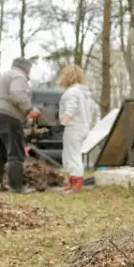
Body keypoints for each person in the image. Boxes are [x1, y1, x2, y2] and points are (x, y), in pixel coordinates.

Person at [0, 57, 41, 194]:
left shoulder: (3, 77)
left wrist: (25, 119)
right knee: (15, 152)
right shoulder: (19, 76)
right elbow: (17, 94)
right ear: (27, 68)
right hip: (7, 116)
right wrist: (30, 110)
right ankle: (16, 187)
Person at [57, 65, 96, 193]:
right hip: (83, 126)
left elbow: (70, 110)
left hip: (73, 127)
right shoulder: (84, 93)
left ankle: (77, 185)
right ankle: (72, 182)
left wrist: (62, 123)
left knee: (72, 155)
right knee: (70, 155)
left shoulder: (71, 92)